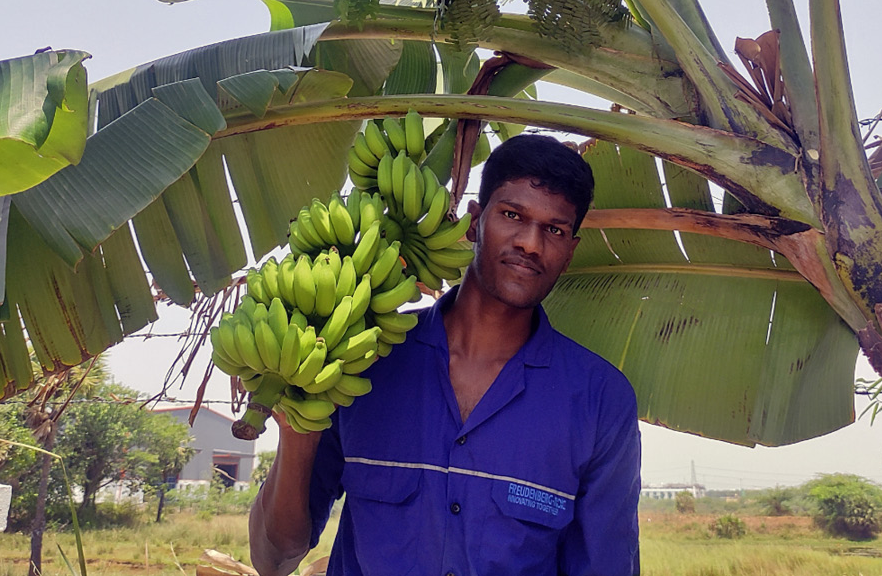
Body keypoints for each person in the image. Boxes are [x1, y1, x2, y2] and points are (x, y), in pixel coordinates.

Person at [250, 133, 642, 576]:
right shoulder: (365, 359)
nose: (531, 244)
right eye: (512, 215)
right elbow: (274, 558)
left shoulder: (599, 400)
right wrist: (299, 427)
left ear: (570, 251)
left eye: (554, 229)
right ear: (474, 222)